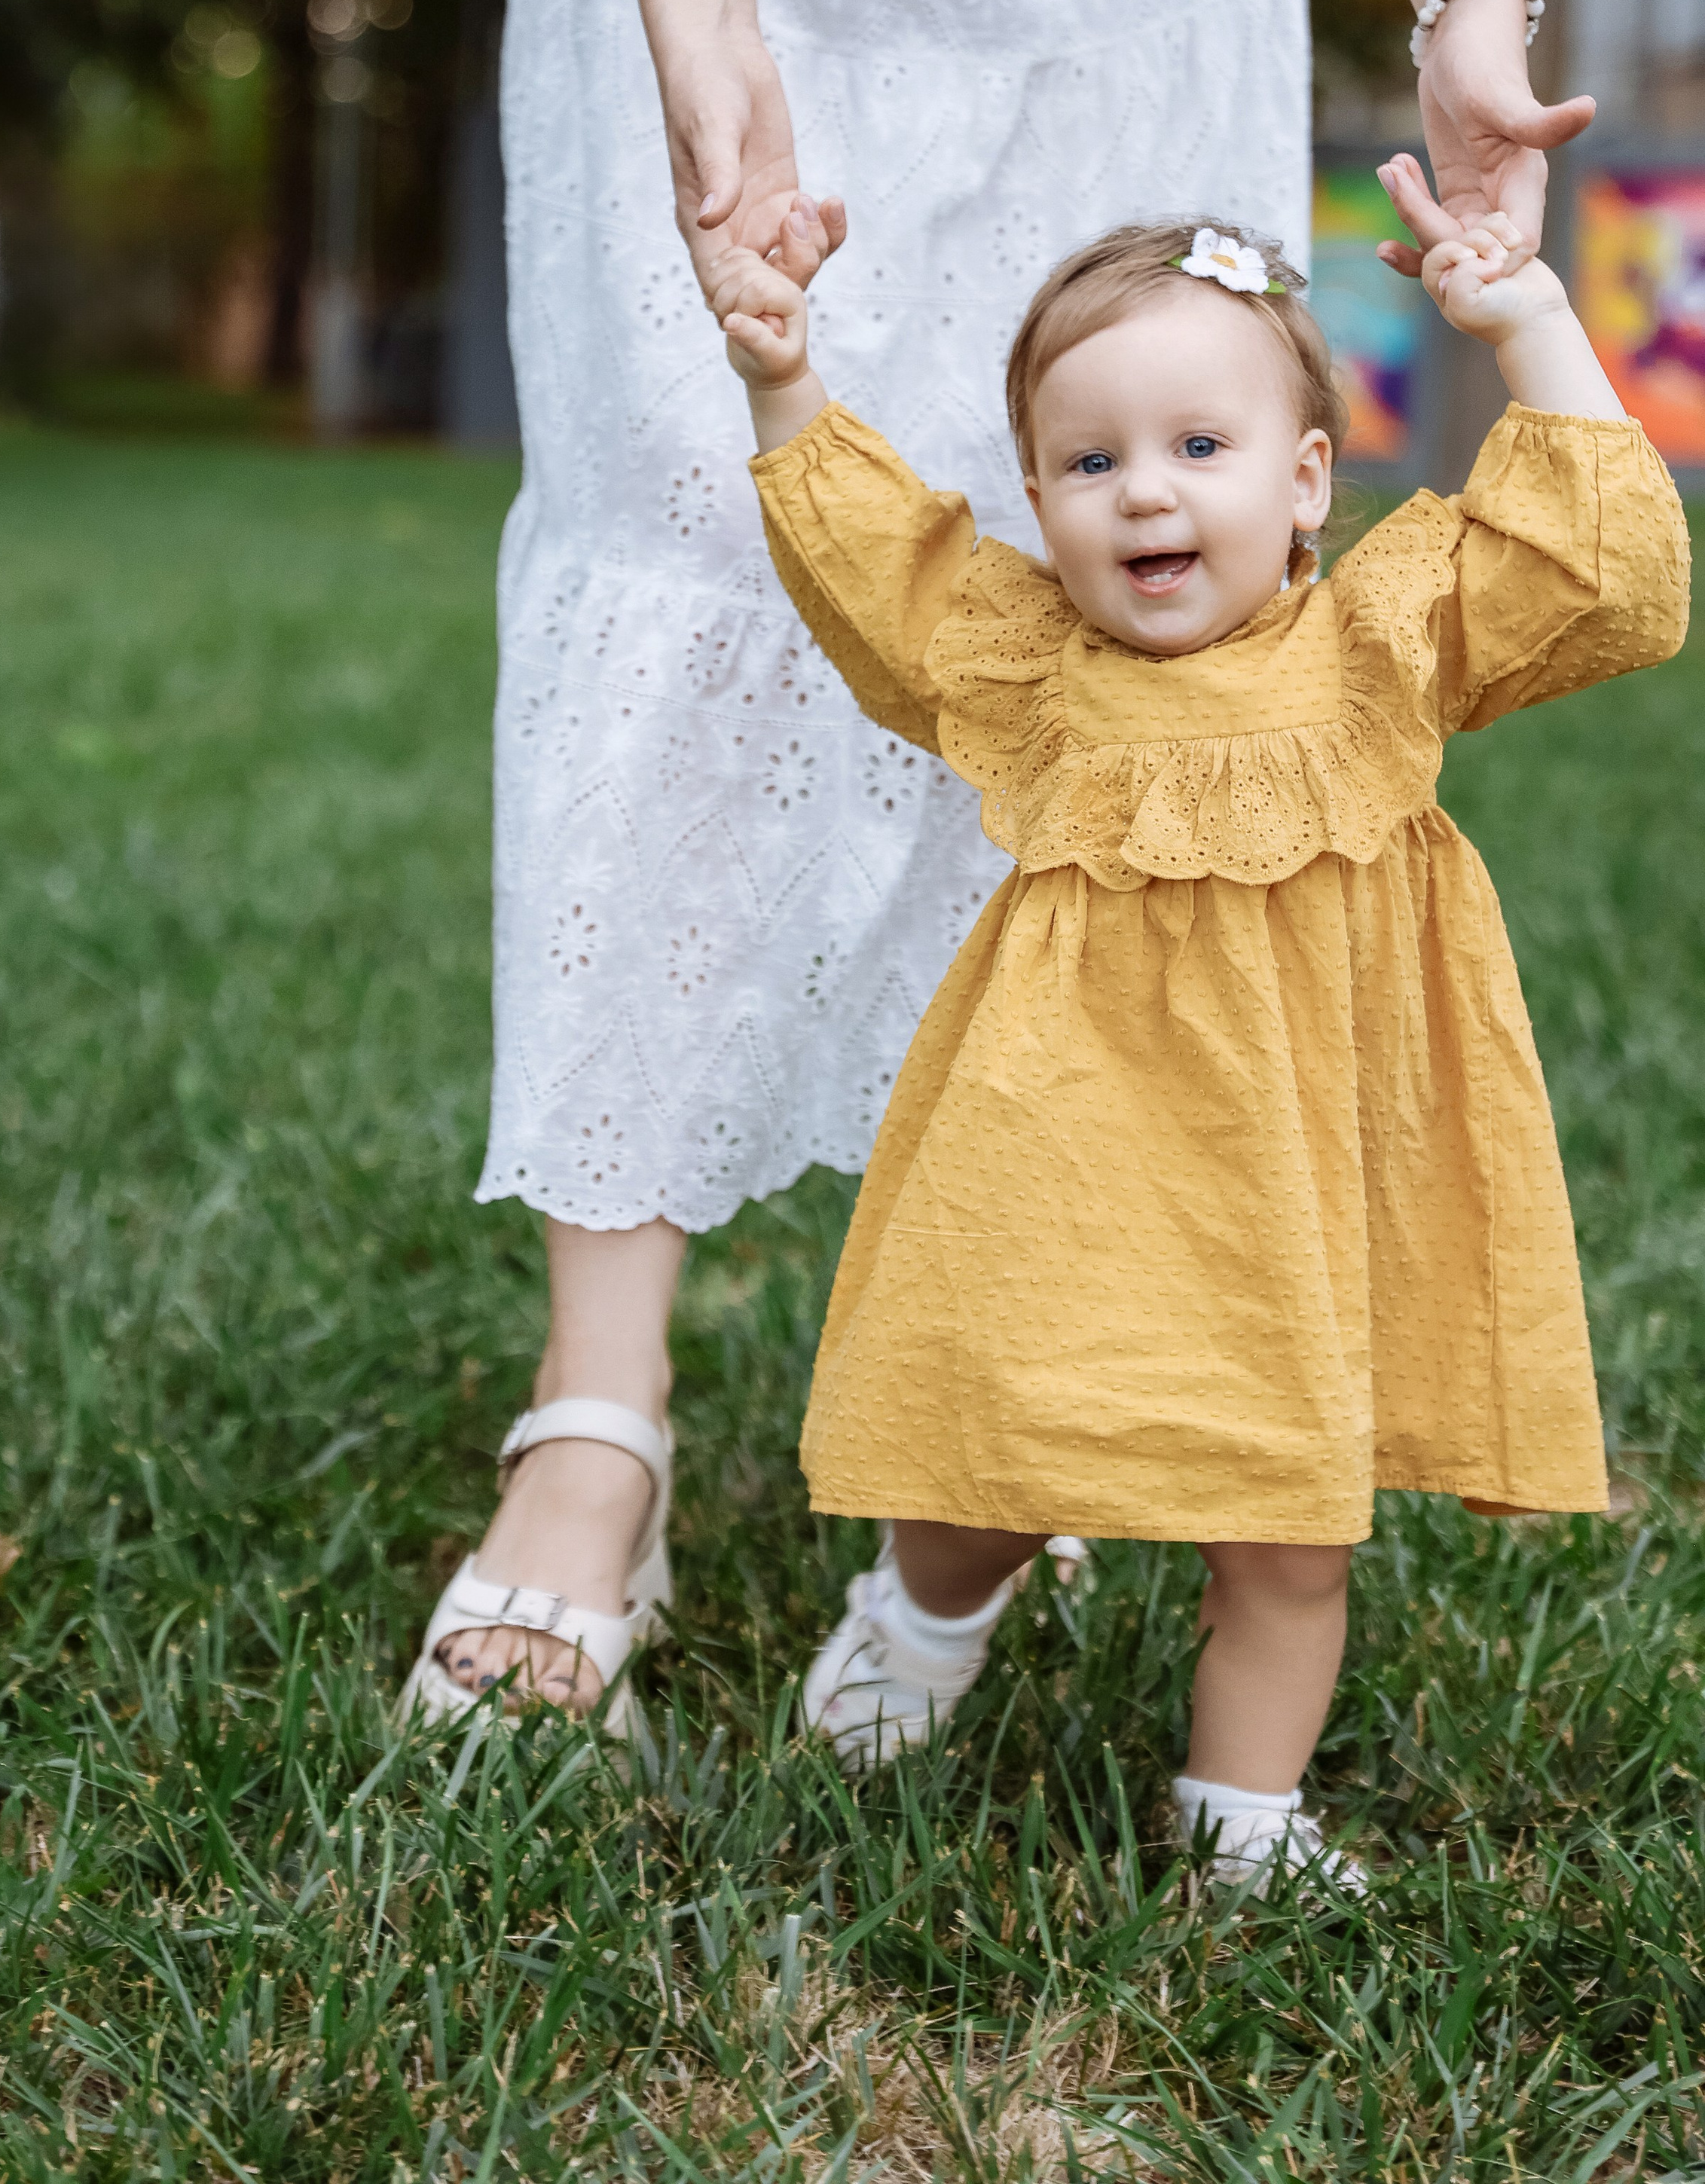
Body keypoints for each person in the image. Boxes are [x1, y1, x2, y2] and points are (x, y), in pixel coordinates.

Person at [415, 0, 1601, 1723]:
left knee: (1108, 577)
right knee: (691, 524)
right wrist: (704, 19)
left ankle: (1029, 1355)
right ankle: (596, 1429)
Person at [707, 161, 1688, 1883]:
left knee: (1291, 1527)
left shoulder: (1385, 639)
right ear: (1035, 497)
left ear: (1307, 481)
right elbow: (881, 576)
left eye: (1197, 449)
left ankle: (1241, 1824)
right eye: (1088, 464)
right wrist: (780, 371)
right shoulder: (1025, 664)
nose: (1142, 497)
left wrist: (1528, 320)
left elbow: (1606, 582)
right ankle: (921, 1627)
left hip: (1303, 1174)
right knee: (992, 1454)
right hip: (1071, 1152)